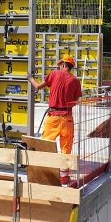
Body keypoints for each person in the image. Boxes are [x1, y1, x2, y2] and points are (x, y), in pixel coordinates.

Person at [28, 55, 82, 186]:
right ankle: (64, 177)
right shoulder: (75, 81)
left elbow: (38, 87)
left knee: (45, 144)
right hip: (67, 118)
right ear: (70, 67)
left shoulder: (53, 74)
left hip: (53, 117)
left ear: (63, 64)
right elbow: (76, 101)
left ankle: (42, 172)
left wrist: (29, 78)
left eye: (60, 64)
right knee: (66, 147)